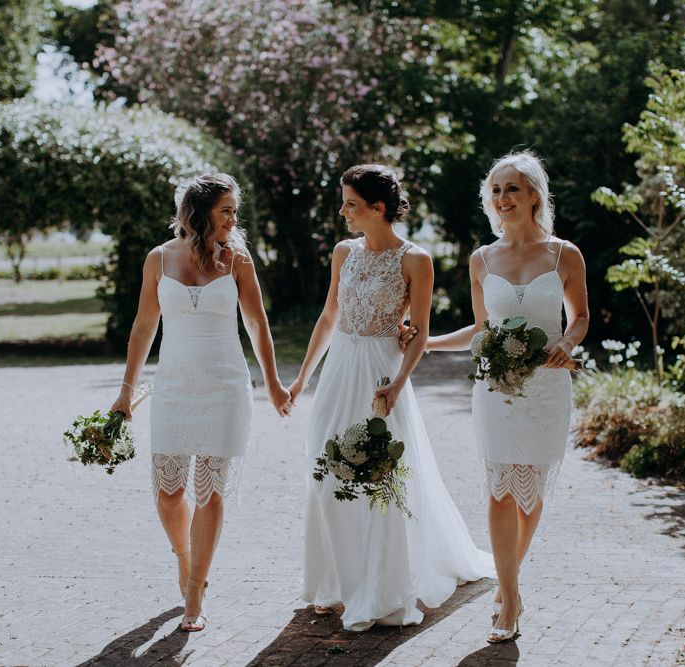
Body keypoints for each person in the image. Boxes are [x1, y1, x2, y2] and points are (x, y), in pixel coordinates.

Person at [288, 164, 494, 633]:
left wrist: (399, 382)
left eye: (351, 204)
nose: (343, 212)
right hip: (339, 369)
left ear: (378, 208)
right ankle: (335, 583)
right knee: (326, 470)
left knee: (379, 476)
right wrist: (303, 377)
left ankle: (379, 587)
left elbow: (418, 332)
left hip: (381, 372)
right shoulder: (344, 252)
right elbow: (327, 316)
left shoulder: (415, 260)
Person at [420, 150, 589, 642]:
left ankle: (508, 582)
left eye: (512, 189)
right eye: (495, 191)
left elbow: (578, 316)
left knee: (530, 495)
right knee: (498, 492)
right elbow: (480, 327)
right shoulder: (482, 258)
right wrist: (426, 341)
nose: (502, 198)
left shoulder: (564, 254)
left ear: (534, 195)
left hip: (546, 387)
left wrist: (566, 341)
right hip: (495, 390)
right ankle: (509, 597)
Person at [111, 174, 291, 632]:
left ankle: (196, 589)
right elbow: (143, 327)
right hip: (173, 386)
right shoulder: (159, 258)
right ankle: (185, 556)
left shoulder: (238, 260)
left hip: (226, 386)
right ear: (199, 211)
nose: (234, 218)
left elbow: (258, 324)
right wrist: (126, 391)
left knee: (210, 491)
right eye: (226, 209)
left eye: (235, 210)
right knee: (169, 493)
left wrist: (272, 383)